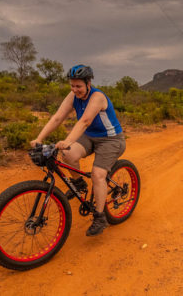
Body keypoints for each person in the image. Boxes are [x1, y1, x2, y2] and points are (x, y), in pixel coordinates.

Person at [30, 64, 125, 236]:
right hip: (89, 137)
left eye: (78, 86)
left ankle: (100, 217)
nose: (75, 90)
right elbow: (58, 117)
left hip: (111, 140)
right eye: (72, 86)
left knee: (97, 174)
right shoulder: (73, 96)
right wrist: (39, 138)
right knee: (67, 153)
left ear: (88, 83)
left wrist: (67, 140)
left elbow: (84, 122)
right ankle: (79, 183)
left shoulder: (97, 97)